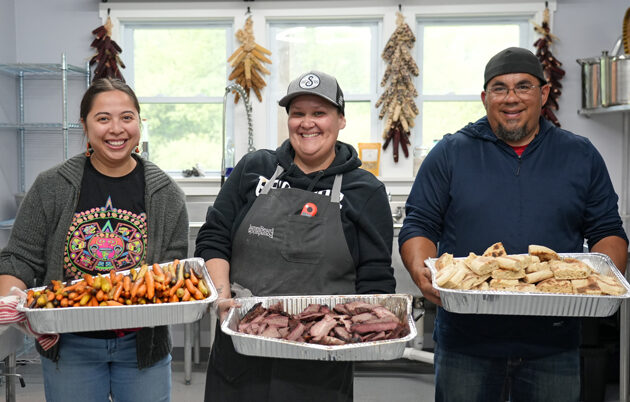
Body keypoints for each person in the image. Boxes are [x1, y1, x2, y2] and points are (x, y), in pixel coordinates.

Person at [399, 47, 628, 402]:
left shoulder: (579, 155)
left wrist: (604, 280)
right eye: (499, 88)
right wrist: (420, 270)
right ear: (484, 97)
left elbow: (607, 231)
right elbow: (420, 224)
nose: (511, 98)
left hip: (553, 344)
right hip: (467, 342)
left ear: (544, 93)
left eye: (523, 87)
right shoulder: (451, 153)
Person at [195, 70, 396, 401]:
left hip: (320, 361)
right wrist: (221, 299)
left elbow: (374, 276)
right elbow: (214, 237)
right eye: (298, 113)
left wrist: (364, 329)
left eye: (319, 113)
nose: (307, 123)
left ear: (341, 119)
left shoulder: (366, 191)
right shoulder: (253, 168)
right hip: (242, 348)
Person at [0, 78, 189, 402]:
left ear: (139, 123)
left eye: (127, 117)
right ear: (84, 126)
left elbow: (171, 274)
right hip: (70, 344)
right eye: (103, 118)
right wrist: (9, 302)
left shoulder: (166, 194)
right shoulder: (51, 186)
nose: (117, 128)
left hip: (142, 346)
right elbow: (19, 258)